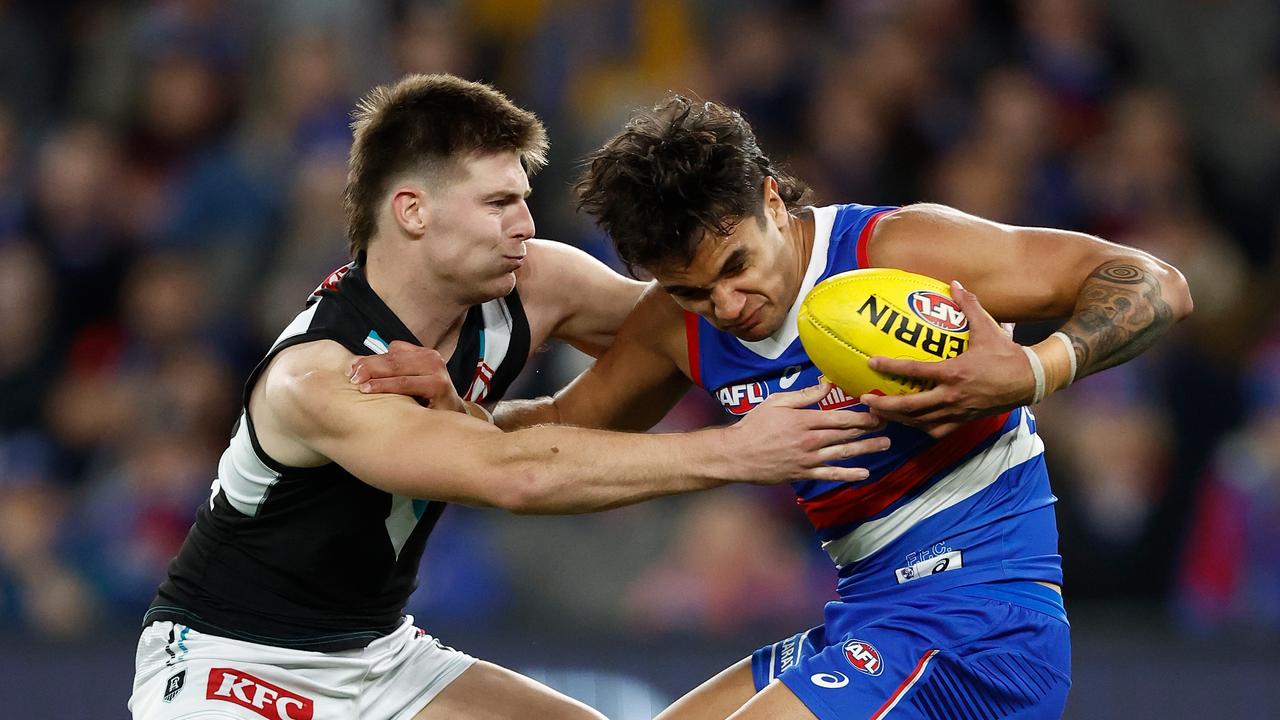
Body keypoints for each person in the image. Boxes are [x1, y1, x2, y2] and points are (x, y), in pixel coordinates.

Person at [351, 95, 1193, 719]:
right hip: (868, 613)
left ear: (772, 199)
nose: (726, 305)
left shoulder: (895, 252)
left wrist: (1034, 370)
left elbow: (1156, 284)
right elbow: (560, 434)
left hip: (978, 625)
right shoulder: (678, 324)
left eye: (735, 267)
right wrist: (453, 419)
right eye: (690, 289)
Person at [127, 76, 888, 720]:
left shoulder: (537, 282)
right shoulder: (320, 374)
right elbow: (511, 474)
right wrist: (737, 451)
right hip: (232, 658)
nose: (525, 224)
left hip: (381, 652)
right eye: (498, 203)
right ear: (413, 211)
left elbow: (703, 334)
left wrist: (919, 344)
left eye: (524, 199)